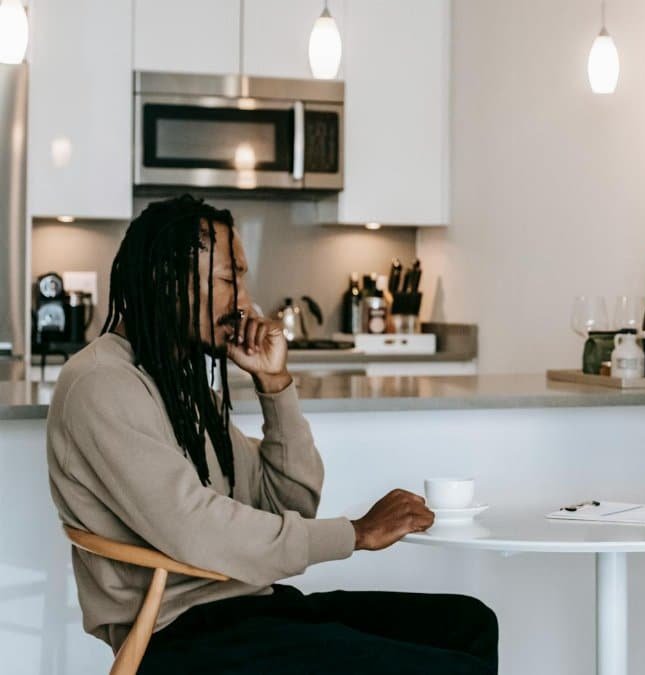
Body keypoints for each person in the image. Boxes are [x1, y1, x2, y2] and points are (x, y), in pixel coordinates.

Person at [46, 195, 498, 674]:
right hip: (181, 633)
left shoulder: (180, 380)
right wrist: (356, 534)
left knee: (468, 624)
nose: (244, 301)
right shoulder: (102, 384)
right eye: (228, 279)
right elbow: (199, 529)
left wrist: (275, 386)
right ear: (166, 280)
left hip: (249, 603)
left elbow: (292, 505)